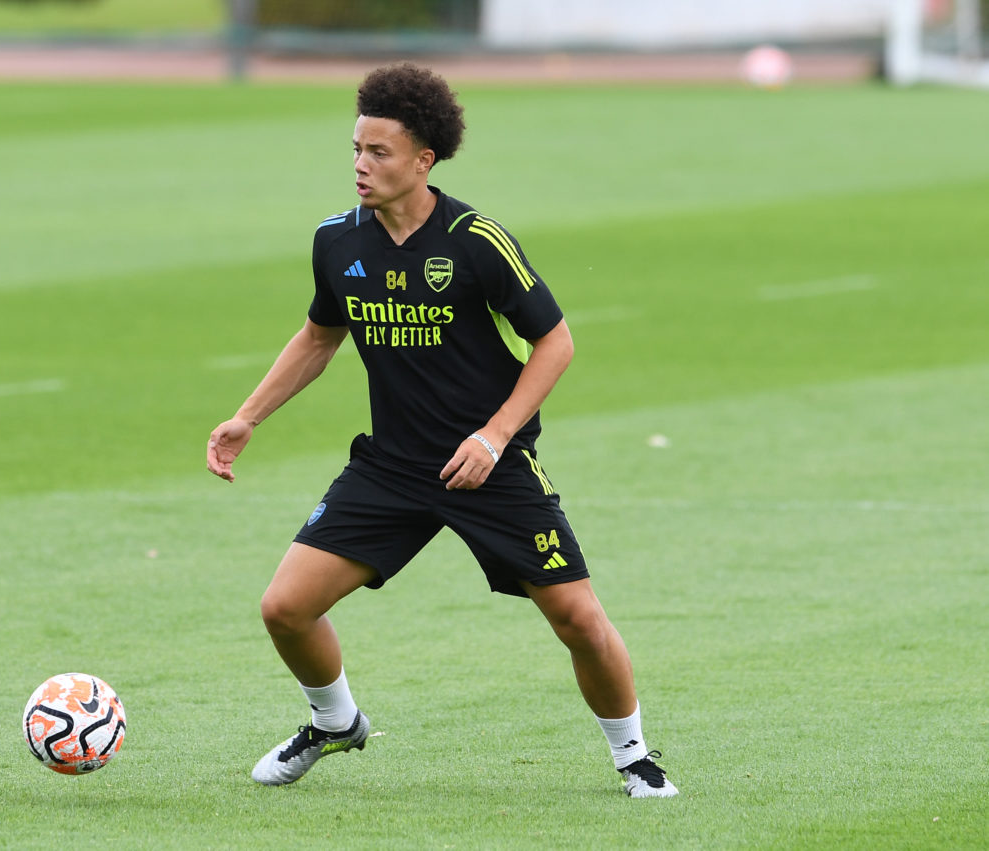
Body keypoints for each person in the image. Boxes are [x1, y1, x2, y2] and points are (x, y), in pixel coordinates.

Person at [206, 63, 677, 798]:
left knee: (578, 618)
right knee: (285, 607)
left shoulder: (476, 240)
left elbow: (555, 342)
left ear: (424, 159)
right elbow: (319, 335)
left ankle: (635, 757)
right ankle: (335, 722)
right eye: (356, 149)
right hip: (392, 466)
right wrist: (247, 415)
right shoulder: (337, 242)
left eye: (379, 152)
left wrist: (494, 436)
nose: (361, 165)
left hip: (490, 465)